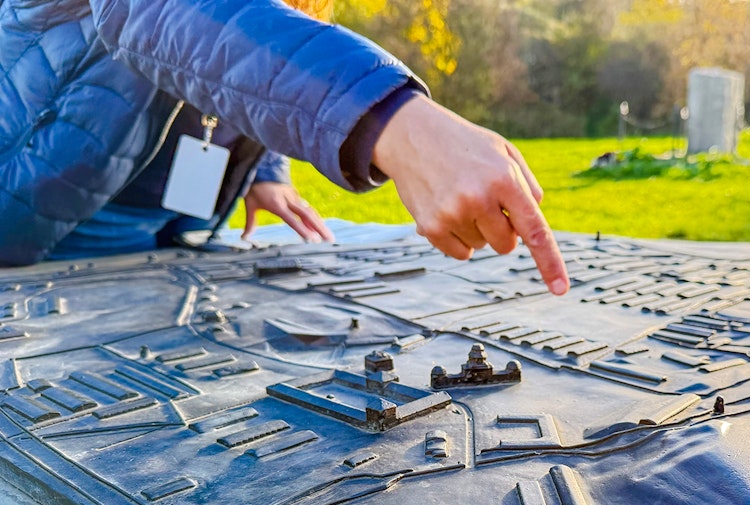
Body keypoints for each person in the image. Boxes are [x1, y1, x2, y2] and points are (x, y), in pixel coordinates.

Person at [0, 0, 569, 295]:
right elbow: (178, 20)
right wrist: (397, 126)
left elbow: (255, 55)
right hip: (32, 256)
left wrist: (265, 168)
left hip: (156, 251)